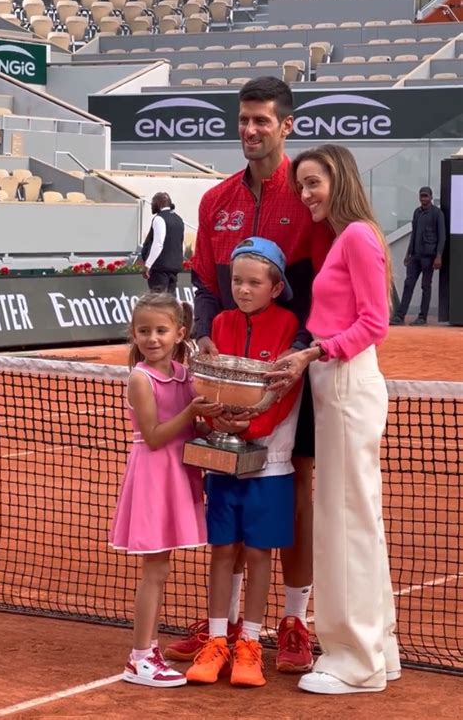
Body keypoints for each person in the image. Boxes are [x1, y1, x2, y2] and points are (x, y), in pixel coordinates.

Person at [165, 76, 334, 673]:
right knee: (227, 476)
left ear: (286, 126)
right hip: (227, 361)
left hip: (301, 364)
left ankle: (293, 618)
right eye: (243, 119)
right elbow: (208, 284)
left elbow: (322, 288)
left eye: (262, 120)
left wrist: (306, 349)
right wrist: (206, 333)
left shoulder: (312, 199)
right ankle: (228, 621)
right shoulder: (215, 202)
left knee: (296, 488)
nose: (250, 130)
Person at [267, 144, 401, 694]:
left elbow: (375, 323)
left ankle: (355, 660)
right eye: (301, 185)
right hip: (335, 384)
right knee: (354, 519)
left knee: (346, 523)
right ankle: (378, 649)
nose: (306, 194)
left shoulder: (360, 237)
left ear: (339, 180)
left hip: (345, 381)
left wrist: (311, 353)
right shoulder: (346, 238)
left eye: (315, 182)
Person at [186, 238, 303, 688]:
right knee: (221, 551)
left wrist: (249, 429)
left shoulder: (290, 325)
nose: (244, 289)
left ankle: (250, 644)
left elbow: (283, 391)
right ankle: (218, 641)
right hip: (222, 460)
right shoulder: (218, 323)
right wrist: (214, 418)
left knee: (258, 554)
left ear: (275, 288)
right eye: (237, 280)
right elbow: (208, 383)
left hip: (270, 463)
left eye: (254, 282)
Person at [109, 293, 222, 688]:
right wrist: (193, 412)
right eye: (144, 331)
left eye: (160, 330)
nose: (152, 338)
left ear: (180, 333)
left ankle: (148, 651)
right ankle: (139, 657)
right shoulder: (140, 378)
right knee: (154, 570)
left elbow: (198, 430)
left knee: (162, 569)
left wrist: (214, 420)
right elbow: (155, 437)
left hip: (181, 475)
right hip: (154, 477)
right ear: (134, 335)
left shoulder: (185, 374)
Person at [391, 186, 445, 326]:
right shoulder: (417, 213)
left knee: (425, 286)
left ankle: (422, 317)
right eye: (421, 196)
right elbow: (414, 234)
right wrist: (408, 253)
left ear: (431, 197)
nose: (423, 199)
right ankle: (400, 316)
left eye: (426, 196)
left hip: (429, 257)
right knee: (408, 285)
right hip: (415, 257)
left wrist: (438, 256)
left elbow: (442, 236)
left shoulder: (437, 214)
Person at [141, 192, 185, 295]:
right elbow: (181, 244)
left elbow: (158, 243)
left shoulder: (159, 218)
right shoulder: (179, 219)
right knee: (170, 300)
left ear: (159, 203)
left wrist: (148, 265)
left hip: (160, 268)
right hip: (174, 267)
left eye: (153, 202)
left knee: (158, 300)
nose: (152, 205)